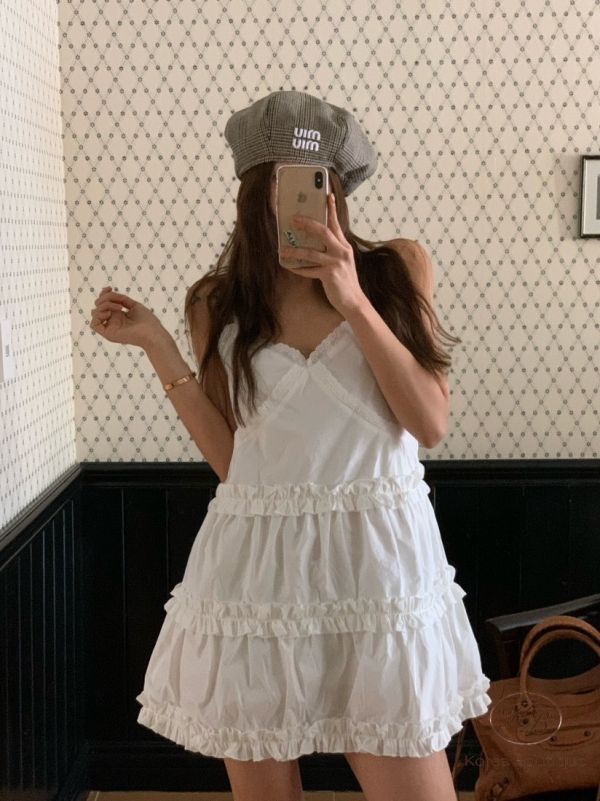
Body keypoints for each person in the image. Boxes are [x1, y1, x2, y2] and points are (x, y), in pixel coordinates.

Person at [89, 90, 492, 801]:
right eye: (280, 180)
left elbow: (429, 422)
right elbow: (235, 464)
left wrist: (350, 296)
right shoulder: (215, 301)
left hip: (379, 573)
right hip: (259, 577)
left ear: (337, 187)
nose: (300, 197)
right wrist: (156, 344)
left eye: (315, 179)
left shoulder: (396, 270)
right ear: (253, 192)